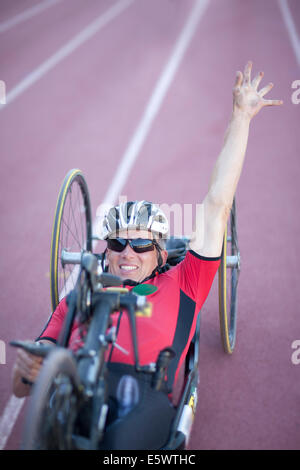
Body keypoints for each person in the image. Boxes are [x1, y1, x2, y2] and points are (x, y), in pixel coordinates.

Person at [12, 62, 282, 448]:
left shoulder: (184, 282)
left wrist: (240, 117)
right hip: (76, 383)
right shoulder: (77, 299)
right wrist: (27, 369)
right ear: (106, 251)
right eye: (118, 243)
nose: (128, 253)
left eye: (140, 245)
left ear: (159, 254)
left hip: (145, 396)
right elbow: (23, 388)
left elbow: (218, 203)